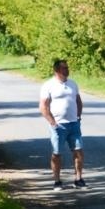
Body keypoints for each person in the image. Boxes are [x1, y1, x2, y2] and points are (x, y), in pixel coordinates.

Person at [39, 59, 85, 189]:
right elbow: (43, 106)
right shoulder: (48, 85)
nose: (67, 70)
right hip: (58, 126)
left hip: (74, 124)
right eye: (64, 68)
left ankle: (78, 179)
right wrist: (52, 123)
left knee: (79, 151)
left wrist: (78, 117)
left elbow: (78, 101)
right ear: (57, 71)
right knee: (57, 153)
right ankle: (57, 181)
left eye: (67, 67)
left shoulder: (73, 84)